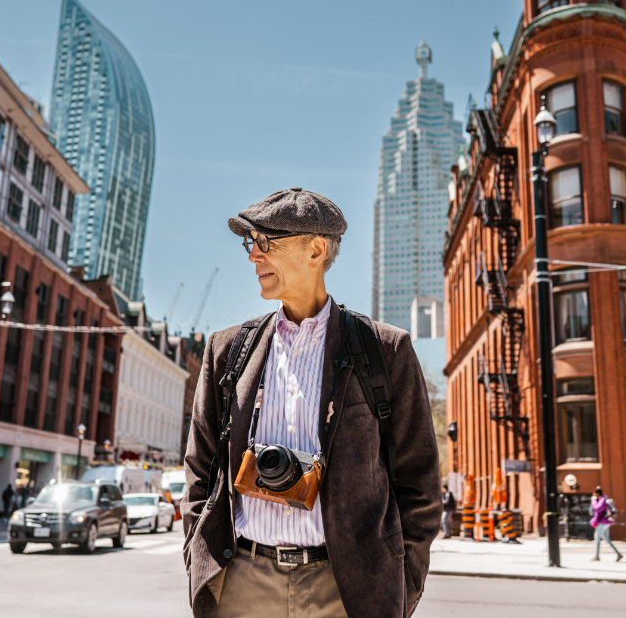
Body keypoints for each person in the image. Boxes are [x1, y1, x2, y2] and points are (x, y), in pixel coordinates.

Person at [182, 188, 441, 618]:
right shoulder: (226, 351)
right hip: (242, 584)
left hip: (346, 591)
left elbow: (421, 484)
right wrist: (197, 555)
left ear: (316, 249)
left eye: (265, 243)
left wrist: (400, 582)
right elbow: (200, 470)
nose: (252, 257)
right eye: (251, 244)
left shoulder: (386, 350)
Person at [589, 486, 622, 562]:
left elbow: (597, 508)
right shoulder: (602, 499)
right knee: (606, 538)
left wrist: (593, 501)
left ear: (597, 493)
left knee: (597, 537)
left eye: (594, 494)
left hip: (603, 521)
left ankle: (597, 556)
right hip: (606, 521)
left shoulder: (602, 500)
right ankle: (618, 554)